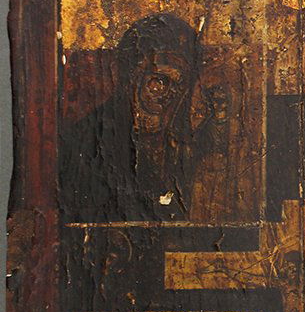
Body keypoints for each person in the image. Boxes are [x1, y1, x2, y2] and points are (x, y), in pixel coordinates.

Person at [60, 13, 201, 222]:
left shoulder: (181, 145)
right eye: (158, 81)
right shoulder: (82, 142)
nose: (168, 97)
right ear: (124, 75)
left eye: (179, 86)